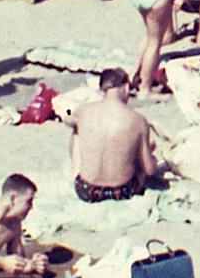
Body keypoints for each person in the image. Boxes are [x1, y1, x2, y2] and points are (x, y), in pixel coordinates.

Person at [64, 67, 160, 202]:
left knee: (77, 132)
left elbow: (68, 116)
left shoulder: (83, 111)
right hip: (123, 191)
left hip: (86, 190)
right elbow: (149, 170)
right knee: (141, 152)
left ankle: (75, 171)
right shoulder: (138, 120)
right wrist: (151, 156)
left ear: (103, 91)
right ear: (126, 88)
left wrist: (68, 112)